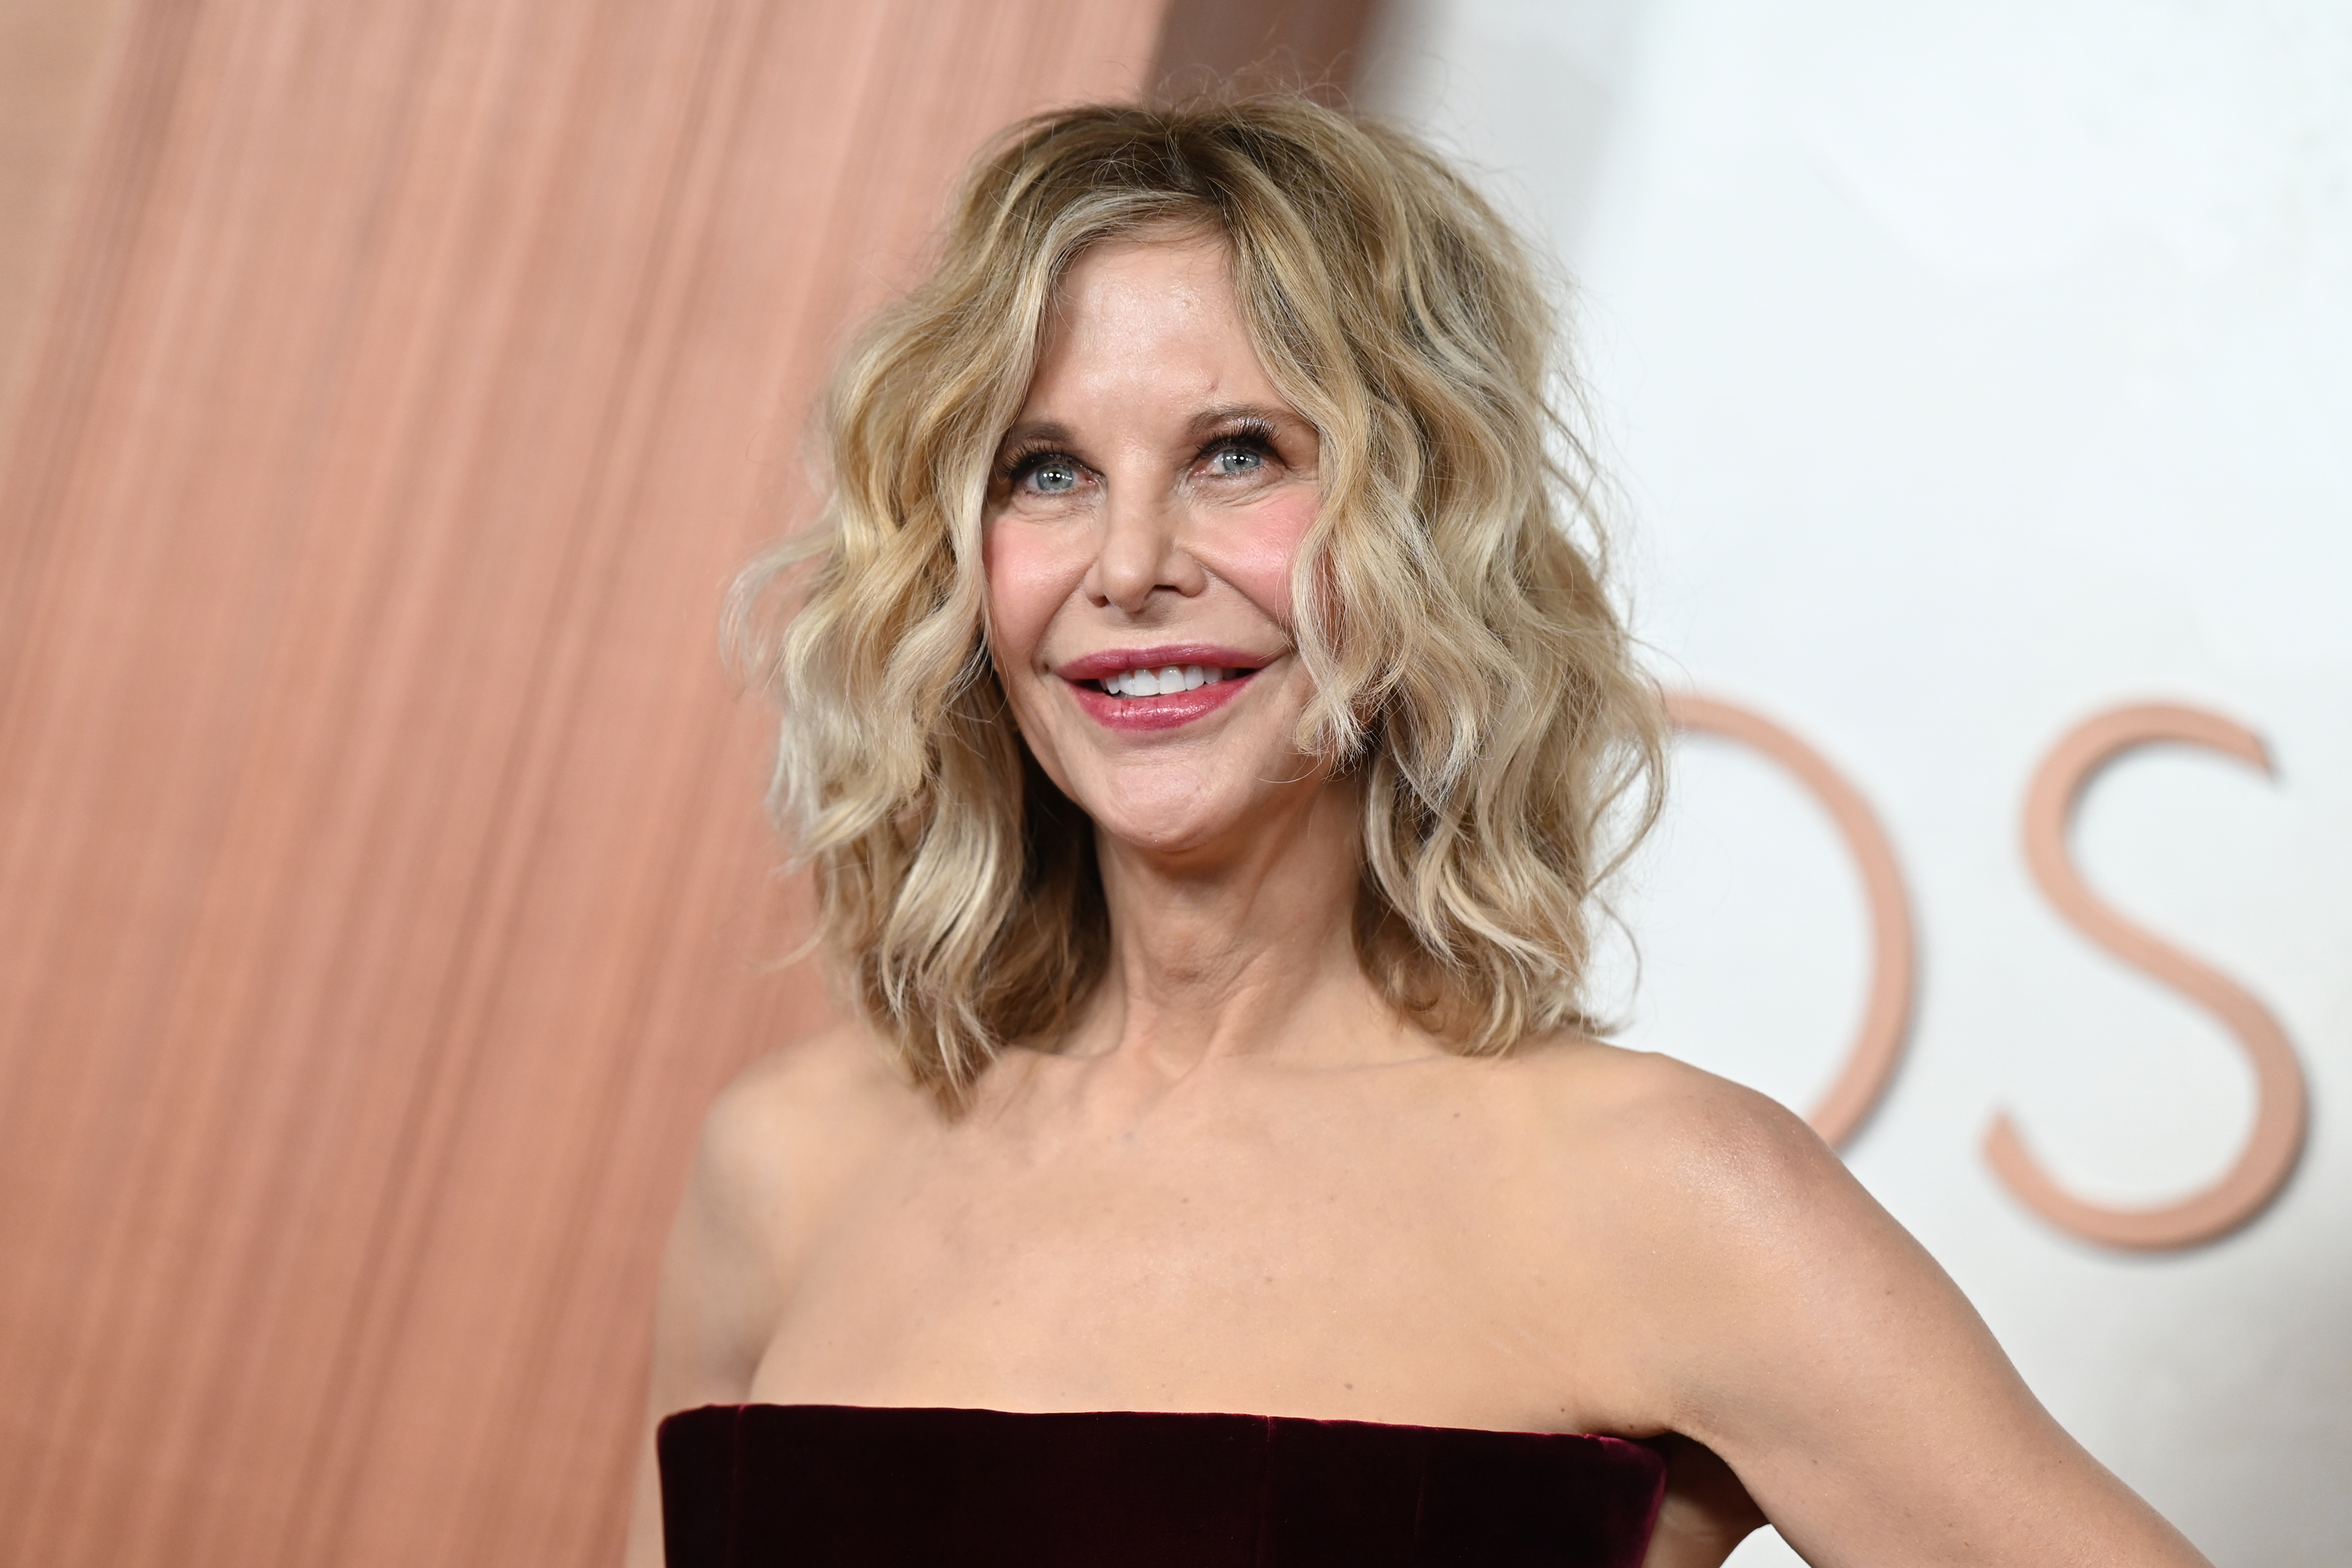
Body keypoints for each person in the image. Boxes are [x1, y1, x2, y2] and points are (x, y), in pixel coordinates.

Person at [625, 98, 2213, 1567]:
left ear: (1421, 525)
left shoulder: (1660, 1196)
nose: (1127, 563)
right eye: (1044, 471)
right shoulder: (786, 1169)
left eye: (1236, 453)